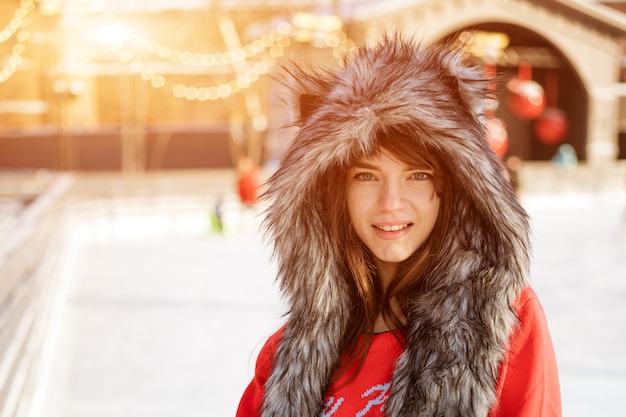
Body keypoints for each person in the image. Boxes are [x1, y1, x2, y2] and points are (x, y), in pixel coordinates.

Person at [236, 34, 561, 417]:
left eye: (417, 175)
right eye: (366, 176)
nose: (391, 203)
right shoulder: (284, 358)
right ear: (333, 189)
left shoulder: (502, 322)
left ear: (452, 185)